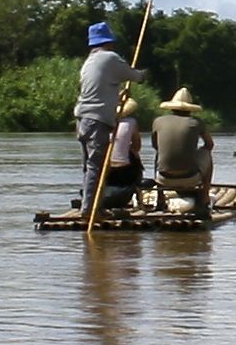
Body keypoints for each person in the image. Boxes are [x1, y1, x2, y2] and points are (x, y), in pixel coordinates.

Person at [76, 20, 144, 211]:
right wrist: (143, 75)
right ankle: (90, 210)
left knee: (88, 166)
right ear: (108, 42)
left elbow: (102, 87)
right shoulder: (110, 58)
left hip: (82, 119)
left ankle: (90, 205)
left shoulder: (88, 62)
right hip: (96, 120)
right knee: (95, 167)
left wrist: (118, 94)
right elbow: (135, 76)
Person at [151, 87, 214, 214]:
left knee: (159, 154)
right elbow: (209, 144)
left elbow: (155, 146)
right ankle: (204, 196)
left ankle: (160, 199)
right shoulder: (196, 122)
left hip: (163, 178)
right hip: (190, 177)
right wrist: (193, 152)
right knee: (207, 153)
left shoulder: (158, 121)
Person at [103, 97, 143, 209]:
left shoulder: (103, 122)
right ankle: (139, 201)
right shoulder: (131, 122)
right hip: (124, 170)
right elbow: (137, 147)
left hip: (106, 169)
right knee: (135, 156)